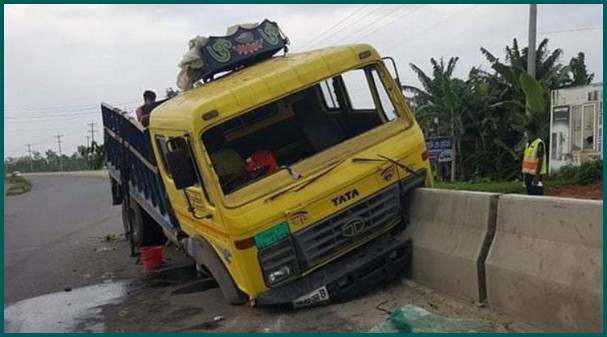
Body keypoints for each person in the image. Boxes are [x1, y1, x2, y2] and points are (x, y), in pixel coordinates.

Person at [522, 121, 547, 195]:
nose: (526, 133)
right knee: (529, 194)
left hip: (535, 175)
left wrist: (537, 175)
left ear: (531, 132)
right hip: (527, 174)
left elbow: (540, 159)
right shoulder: (528, 143)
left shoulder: (539, 143)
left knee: (536, 194)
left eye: (527, 131)